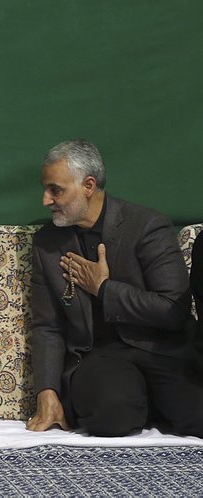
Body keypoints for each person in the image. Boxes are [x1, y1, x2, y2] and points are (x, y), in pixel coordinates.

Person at [25, 139, 203, 437]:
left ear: (88, 185)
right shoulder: (48, 244)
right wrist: (47, 391)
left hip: (162, 350)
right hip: (100, 356)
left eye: (55, 189)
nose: (46, 200)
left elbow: (173, 310)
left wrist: (104, 289)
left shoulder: (147, 226)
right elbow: (47, 326)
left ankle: (152, 404)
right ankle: (140, 405)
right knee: (111, 417)